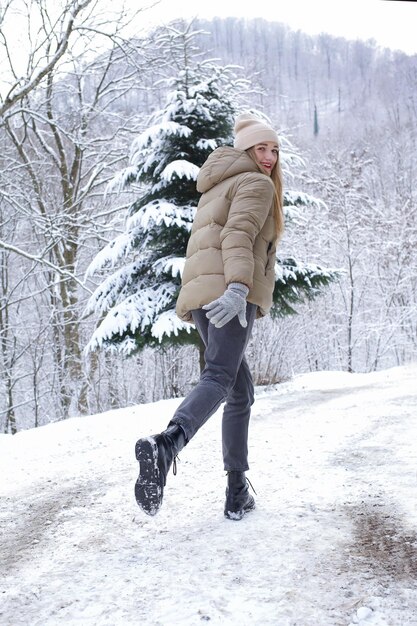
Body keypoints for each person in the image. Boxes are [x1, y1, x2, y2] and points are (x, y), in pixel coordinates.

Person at [134, 112, 284, 520]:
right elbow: (237, 235)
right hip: (229, 295)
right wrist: (239, 287)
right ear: (245, 151)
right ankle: (168, 443)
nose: (268, 157)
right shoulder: (254, 183)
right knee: (219, 376)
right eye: (260, 148)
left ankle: (237, 492)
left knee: (240, 391)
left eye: (273, 149)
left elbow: (206, 242)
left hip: (203, 295)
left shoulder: (217, 184)